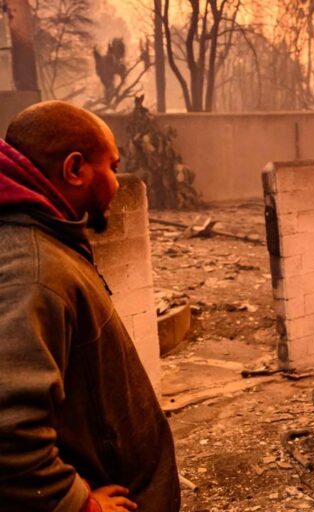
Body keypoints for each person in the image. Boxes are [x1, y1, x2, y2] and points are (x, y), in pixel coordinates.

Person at [0, 101, 180, 511]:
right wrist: (79, 504)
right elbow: (8, 431)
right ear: (75, 169)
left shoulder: (38, 242)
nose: (117, 183)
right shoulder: (33, 270)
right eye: (112, 168)